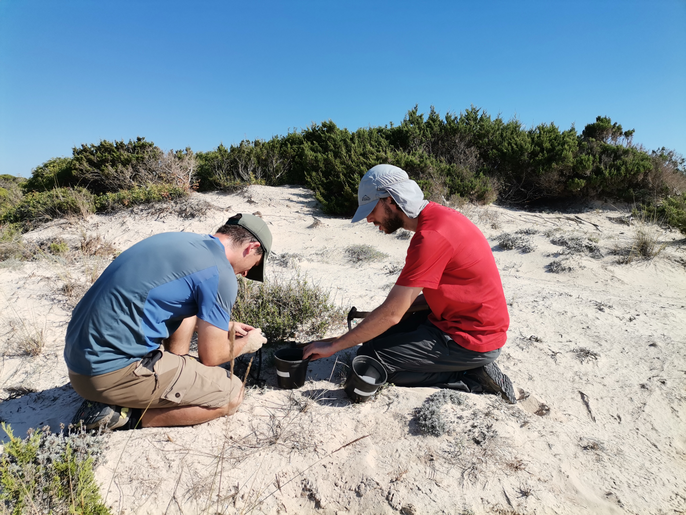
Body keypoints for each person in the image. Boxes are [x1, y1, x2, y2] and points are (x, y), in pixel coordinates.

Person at [303, 164, 516, 403]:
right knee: (374, 337)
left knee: (371, 359)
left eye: (371, 209)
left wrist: (335, 345)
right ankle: (463, 366)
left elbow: (392, 314)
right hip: (456, 321)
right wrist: (385, 318)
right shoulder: (440, 218)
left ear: (390, 201)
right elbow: (408, 305)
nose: (370, 219)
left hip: (472, 338)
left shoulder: (431, 237)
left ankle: (470, 376)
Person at [65, 213, 273, 431]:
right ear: (251, 247)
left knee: (189, 310)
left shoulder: (176, 241)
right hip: (107, 376)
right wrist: (248, 343)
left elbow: (167, 301)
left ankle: (174, 370)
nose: (247, 272)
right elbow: (212, 357)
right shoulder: (221, 272)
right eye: (254, 264)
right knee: (232, 393)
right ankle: (123, 417)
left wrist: (225, 326)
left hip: (80, 362)